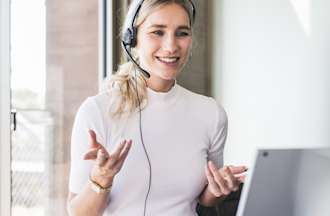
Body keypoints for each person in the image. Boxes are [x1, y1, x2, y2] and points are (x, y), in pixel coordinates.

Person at [67, 0, 246, 216]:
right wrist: (102, 177)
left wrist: (219, 189)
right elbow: (79, 213)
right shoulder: (97, 111)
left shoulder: (211, 114)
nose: (171, 46)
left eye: (182, 33)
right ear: (133, 39)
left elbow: (205, 199)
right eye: (157, 32)